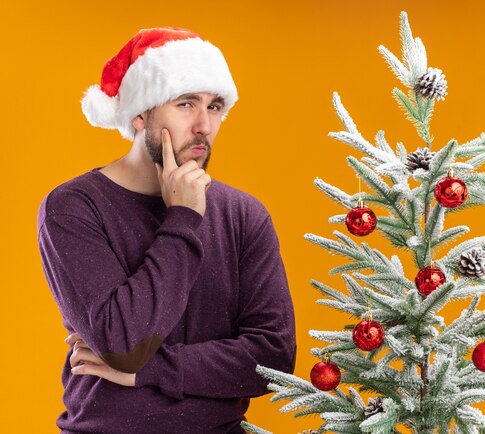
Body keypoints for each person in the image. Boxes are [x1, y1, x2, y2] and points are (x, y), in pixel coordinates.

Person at [36, 27, 297, 433]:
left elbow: (273, 360)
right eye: (186, 103)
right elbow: (123, 342)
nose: (204, 126)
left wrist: (150, 369)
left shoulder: (244, 215)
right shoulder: (73, 208)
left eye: (214, 107)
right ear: (140, 113)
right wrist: (184, 218)